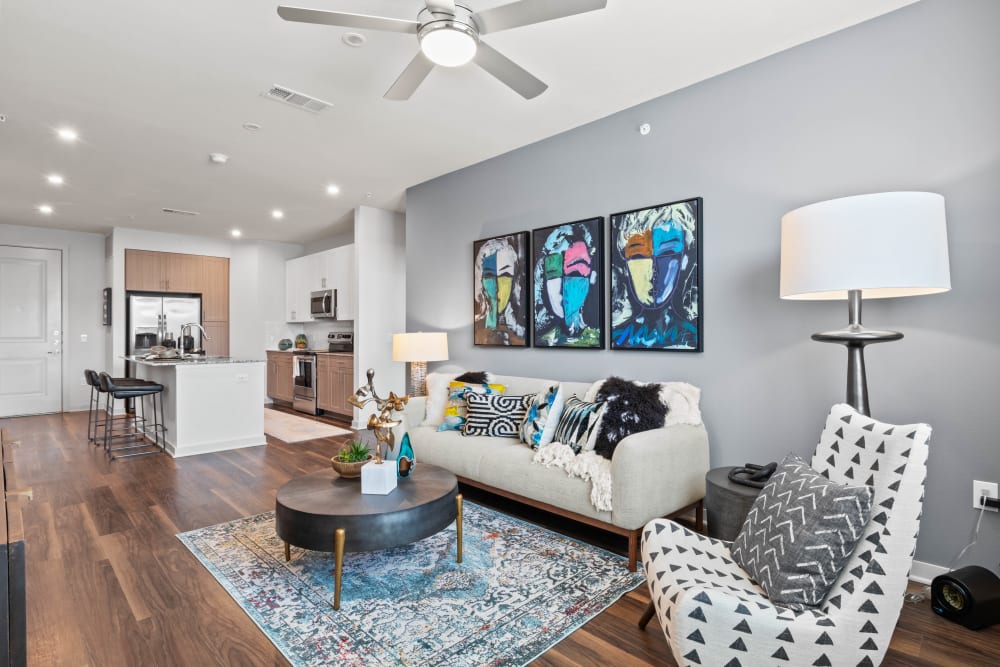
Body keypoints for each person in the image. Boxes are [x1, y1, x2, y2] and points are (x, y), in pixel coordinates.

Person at [611, 202, 699, 349]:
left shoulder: (692, 338)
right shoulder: (617, 338)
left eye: (667, 253)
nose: (653, 270)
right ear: (626, 266)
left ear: (684, 261)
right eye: (638, 255)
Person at [533, 223, 600, 347]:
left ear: (592, 277)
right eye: (553, 271)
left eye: (575, 270)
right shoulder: (541, 339)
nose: (563, 286)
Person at [474, 236, 527, 345]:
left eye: (505, 275)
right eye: (489, 275)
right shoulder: (477, 326)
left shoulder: (521, 327)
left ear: (514, 281)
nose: (497, 287)